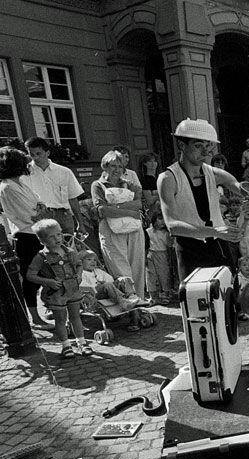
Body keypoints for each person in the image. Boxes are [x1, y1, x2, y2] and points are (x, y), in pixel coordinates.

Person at [157, 118, 249, 279]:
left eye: (208, 146)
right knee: (196, 300)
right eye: (198, 146)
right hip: (190, 249)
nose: (205, 152)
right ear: (182, 145)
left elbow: (244, 189)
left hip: (219, 246)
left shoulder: (213, 173)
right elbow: (173, 226)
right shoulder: (168, 178)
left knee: (229, 297)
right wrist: (214, 231)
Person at [0, 146, 53, 329]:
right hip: (26, 236)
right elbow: (29, 214)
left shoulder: (20, 183)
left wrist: (40, 208)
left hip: (37, 232)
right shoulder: (7, 187)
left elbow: (40, 201)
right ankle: (35, 318)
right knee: (31, 277)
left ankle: (51, 306)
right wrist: (40, 210)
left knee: (48, 272)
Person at [26, 219, 91, 357]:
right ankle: (66, 345)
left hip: (73, 289)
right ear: (42, 241)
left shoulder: (69, 251)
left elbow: (78, 264)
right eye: (52, 236)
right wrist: (48, 281)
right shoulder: (41, 257)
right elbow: (30, 275)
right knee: (60, 319)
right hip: (56, 293)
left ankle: (82, 342)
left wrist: (79, 275)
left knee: (75, 317)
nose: (57, 239)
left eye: (59, 234)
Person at [91, 150, 147, 300]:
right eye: (112, 165)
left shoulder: (131, 184)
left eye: (120, 166)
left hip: (134, 229)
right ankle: (130, 305)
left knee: (137, 268)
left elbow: (138, 204)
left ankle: (139, 303)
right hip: (111, 231)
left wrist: (115, 207)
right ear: (105, 166)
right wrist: (127, 209)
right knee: (121, 271)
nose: (116, 170)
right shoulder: (98, 185)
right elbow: (102, 210)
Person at [23, 137, 85, 236]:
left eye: (39, 154)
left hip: (63, 216)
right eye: (32, 154)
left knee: (68, 248)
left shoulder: (64, 172)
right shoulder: (24, 174)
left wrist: (80, 224)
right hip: (40, 218)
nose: (35, 158)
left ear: (47, 153)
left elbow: (73, 199)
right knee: (46, 250)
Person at [145, 211, 173, 305]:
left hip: (163, 254)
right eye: (160, 219)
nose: (162, 222)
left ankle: (166, 295)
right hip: (151, 253)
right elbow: (146, 245)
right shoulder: (149, 231)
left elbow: (169, 247)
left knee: (164, 274)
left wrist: (170, 258)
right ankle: (153, 296)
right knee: (150, 275)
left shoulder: (167, 233)